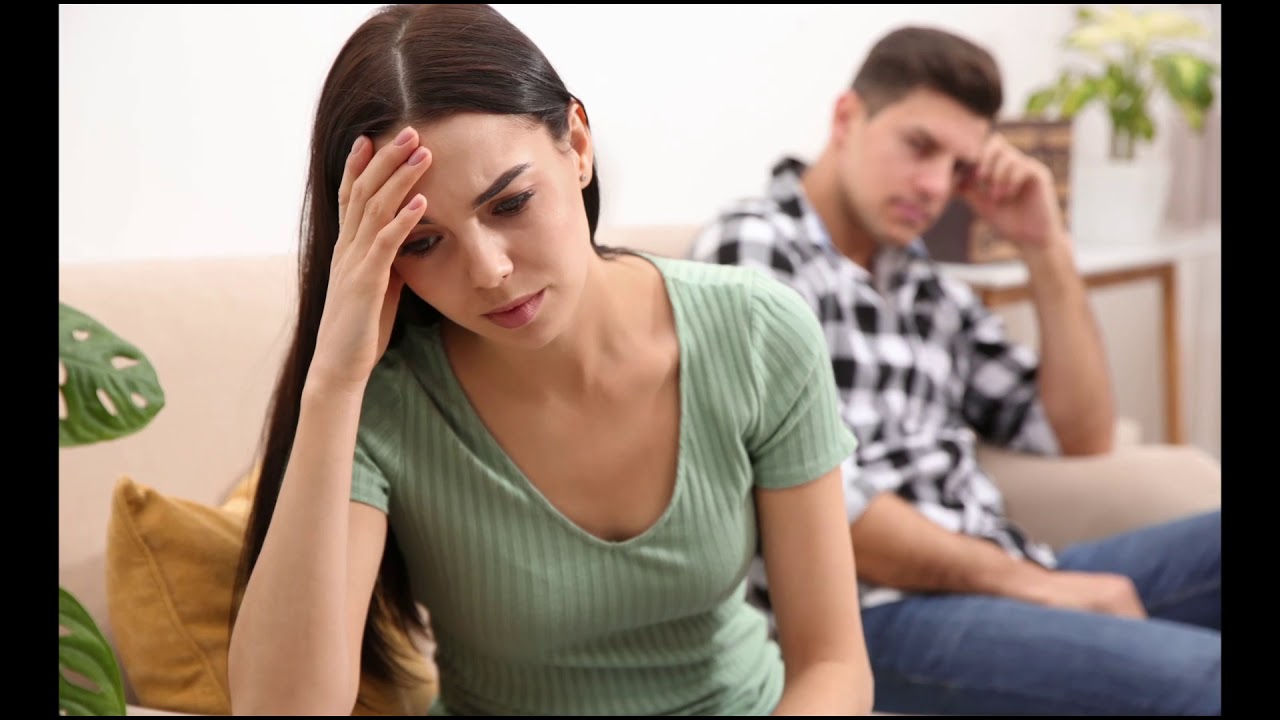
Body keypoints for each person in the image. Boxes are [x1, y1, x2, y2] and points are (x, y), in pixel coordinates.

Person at [226, 4, 874, 716]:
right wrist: (333, 384)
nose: (489, 271)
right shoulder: (383, 397)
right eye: (423, 242)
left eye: (510, 203)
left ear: (578, 144)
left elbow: (833, 663)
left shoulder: (756, 333)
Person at [689, 24, 1220, 717]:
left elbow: (1080, 434)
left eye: (959, 167)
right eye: (920, 146)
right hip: (874, 614)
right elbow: (820, 507)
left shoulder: (921, 280)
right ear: (847, 118)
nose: (936, 186)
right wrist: (1036, 587)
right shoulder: (755, 248)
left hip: (999, 575)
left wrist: (1045, 246)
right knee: (1205, 680)